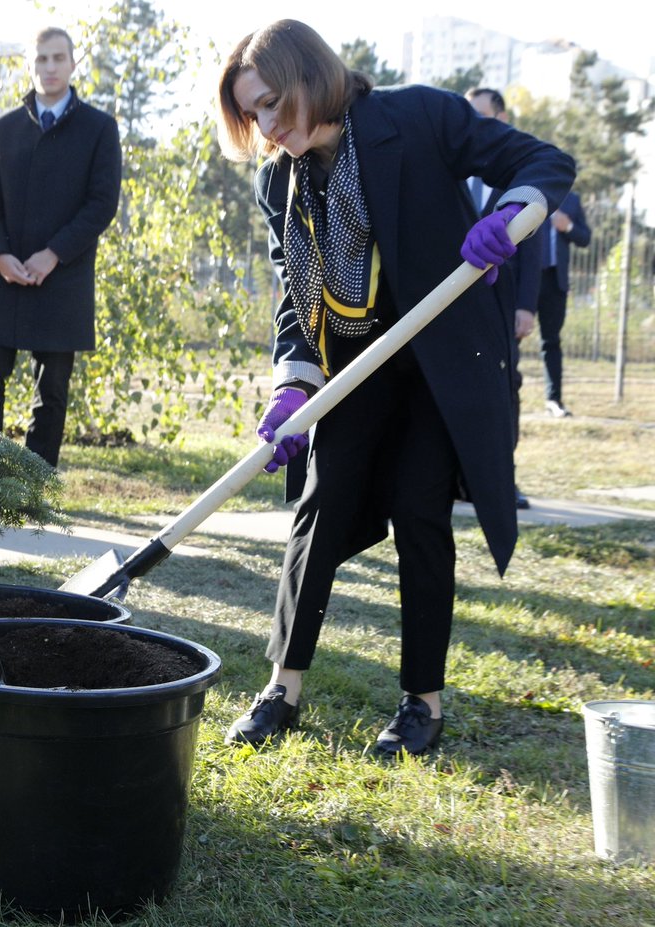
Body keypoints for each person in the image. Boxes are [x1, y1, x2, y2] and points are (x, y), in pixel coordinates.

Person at [215, 20, 573, 756]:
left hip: (437, 359)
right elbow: (295, 296)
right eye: (254, 113)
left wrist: (510, 214)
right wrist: (292, 385)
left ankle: (422, 703)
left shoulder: (419, 117)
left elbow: (541, 160)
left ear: (312, 76)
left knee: (419, 508)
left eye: (276, 103)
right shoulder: (276, 179)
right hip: (355, 363)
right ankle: (281, 688)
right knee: (322, 500)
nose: (268, 126)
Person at [0, 26, 122, 468]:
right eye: (41, 59)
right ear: (30, 64)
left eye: (58, 58)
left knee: (51, 391)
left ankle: (34, 488)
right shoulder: (4, 127)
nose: (49, 67)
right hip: (4, 274)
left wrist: (52, 254)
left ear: (73, 64)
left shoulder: (99, 128)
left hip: (64, 277)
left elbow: (101, 204)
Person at [465, 87, 542, 509]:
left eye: (480, 116)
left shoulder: (518, 169)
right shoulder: (450, 166)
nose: (470, 125)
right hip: (454, 308)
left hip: (503, 303)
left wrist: (526, 306)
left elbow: (533, 246)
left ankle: (502, 481)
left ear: (502, 119)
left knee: (504, 388)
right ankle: (459, 480)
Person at [535, 190, 591, 417]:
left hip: (555, 281)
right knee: (509, 339)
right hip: (525, 278)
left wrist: (567, 226)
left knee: (551, 342)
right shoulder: (527, 191)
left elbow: (585, 238)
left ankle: (553, 400)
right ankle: (503, 393)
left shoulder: (571, 200)